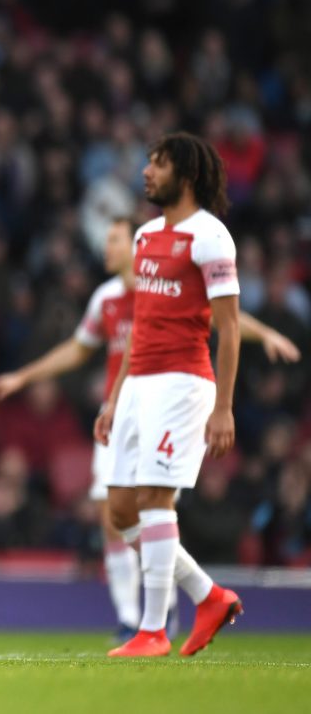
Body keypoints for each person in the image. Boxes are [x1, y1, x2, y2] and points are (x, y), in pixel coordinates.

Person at [0, 217, 300, 640]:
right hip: (119, 410)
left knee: (154, 506)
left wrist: (267, 336)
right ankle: (139, 614)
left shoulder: (170, 289)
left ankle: (160, 616)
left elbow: (226, 318)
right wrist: (25, 377)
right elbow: (79, 348)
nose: (107, 248)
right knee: (115, 513)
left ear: (139, 246)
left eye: (115, 239)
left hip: (164, 401)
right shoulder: (107, 299)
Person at [94, 132, 245, 657]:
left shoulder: (211, 237)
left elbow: (229, 327)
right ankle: (208, 596)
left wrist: (223, 406)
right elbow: (139, 324)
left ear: (186, 174)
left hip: (183, 383)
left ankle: (153, 631)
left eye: (157, 164)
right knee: (119, 510)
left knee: (156, 499)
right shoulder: (145, 237)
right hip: (138, 384)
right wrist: (115, 396)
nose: (147, 172)